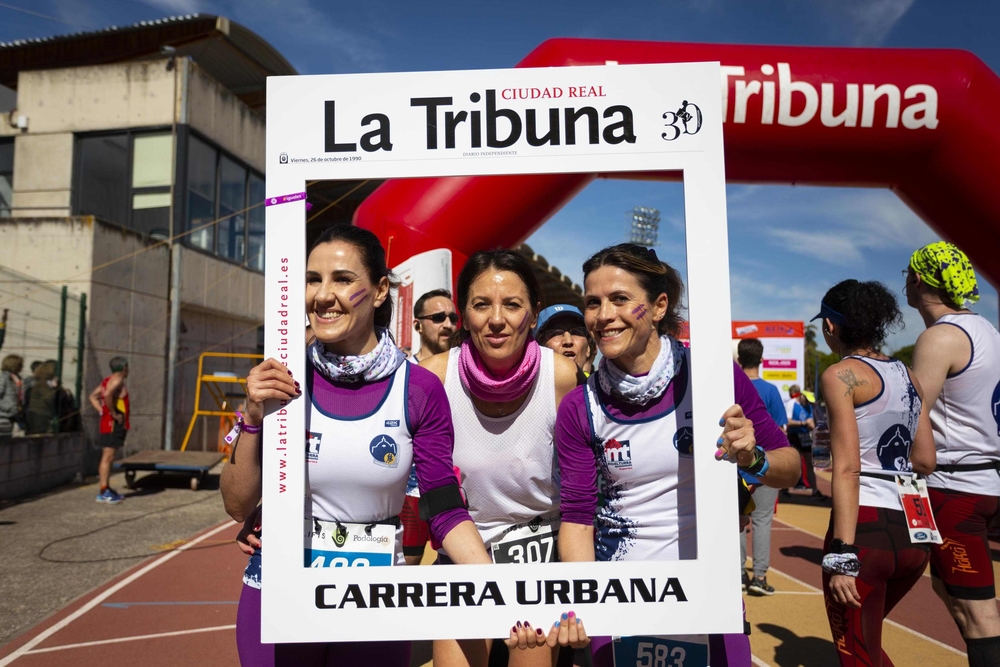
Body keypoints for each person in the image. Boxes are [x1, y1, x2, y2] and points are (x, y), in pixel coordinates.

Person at [221, 225, 492, 667]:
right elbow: (237, 505)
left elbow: (443, 505)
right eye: (313, 279)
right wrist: (253, 417)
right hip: (279, 592)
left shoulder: (418, 387)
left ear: (381, 289)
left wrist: (497, 589)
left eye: (343, 279)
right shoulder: (281, 378)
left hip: (373, 601)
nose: (323, 296)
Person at [547, 244, 800, 667]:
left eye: (620, 299)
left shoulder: (712, 375)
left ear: (659, 305)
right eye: (593, 303)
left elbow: (789, 467)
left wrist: (753, 457)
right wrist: (581, 605)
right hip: (621, 599)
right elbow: (577, 518)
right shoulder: (579, 406)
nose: (603, 315)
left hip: (707, 594)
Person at [419, 249, 581, 667]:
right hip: (461, 554)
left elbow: (588, 484)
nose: (496, 319)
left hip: (539, 560)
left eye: (512, 304)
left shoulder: (561, 375)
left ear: (533, 312)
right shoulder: (434, 375)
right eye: (481, 304)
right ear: (463, 312)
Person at [815, 279, 935, 667]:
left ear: (831, 326)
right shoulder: (908, 375)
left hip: (863, 529)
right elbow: (926, 461)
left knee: (858, 653)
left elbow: (847, 469)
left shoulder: (840, 376)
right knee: (866, 642)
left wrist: (843, 554)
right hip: (913, 532)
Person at [905, 242, 1000, 667]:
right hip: (988, 479)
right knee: (947, 590)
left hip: (954, 488)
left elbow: (912, 420)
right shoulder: (988, 331)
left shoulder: (939, 337)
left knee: (979, 616)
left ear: (919, 280)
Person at [401, 289, 459, 564]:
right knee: (405, 577)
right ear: (417, 325)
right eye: (437, 317)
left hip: (453, 491)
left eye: (452, 317)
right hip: (409, 493)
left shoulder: (465, 371)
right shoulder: (401, 372)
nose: (447, 324)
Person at [736, 338, 787, 597]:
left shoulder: (730, 386)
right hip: (762, 466)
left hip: (734, 468)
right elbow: (780, 430)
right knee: (762, 521)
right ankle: (759, 576)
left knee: (735, 523)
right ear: (762, 359)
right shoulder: (770, 390)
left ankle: (735, 574)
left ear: (740, 359)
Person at [88, 357, 129, 504]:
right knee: (108, 456)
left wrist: (102, 411)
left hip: (107, 423)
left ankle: (105, 488)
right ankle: (104, 490)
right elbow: (106, 395)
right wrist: (113, 413)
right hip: (113, 424)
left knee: (108, 456)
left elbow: (93, 396)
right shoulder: (117, 381)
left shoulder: (107, 380)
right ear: (124, 368)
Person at [534, 304, 594, 374]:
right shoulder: (527, 385)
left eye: (576, 332)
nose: (568, 341)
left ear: (588, 349)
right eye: (556, 333)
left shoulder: (601, 384)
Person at [785, 385, 821, 496]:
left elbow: (810, 422)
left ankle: (815, 490)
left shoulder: (808, 406)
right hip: (794, 436)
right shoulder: (791, 403)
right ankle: (785, 489)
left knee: (810, 463)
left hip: (805, 437)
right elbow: (788, 421)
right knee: (792, 463)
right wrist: (802, 423)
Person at [0, 354, 23, 440]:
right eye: (20, 364)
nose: (22, 366)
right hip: (3, 418)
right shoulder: (4, 378)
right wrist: (9, 407)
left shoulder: (16, 378)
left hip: (11, 418)